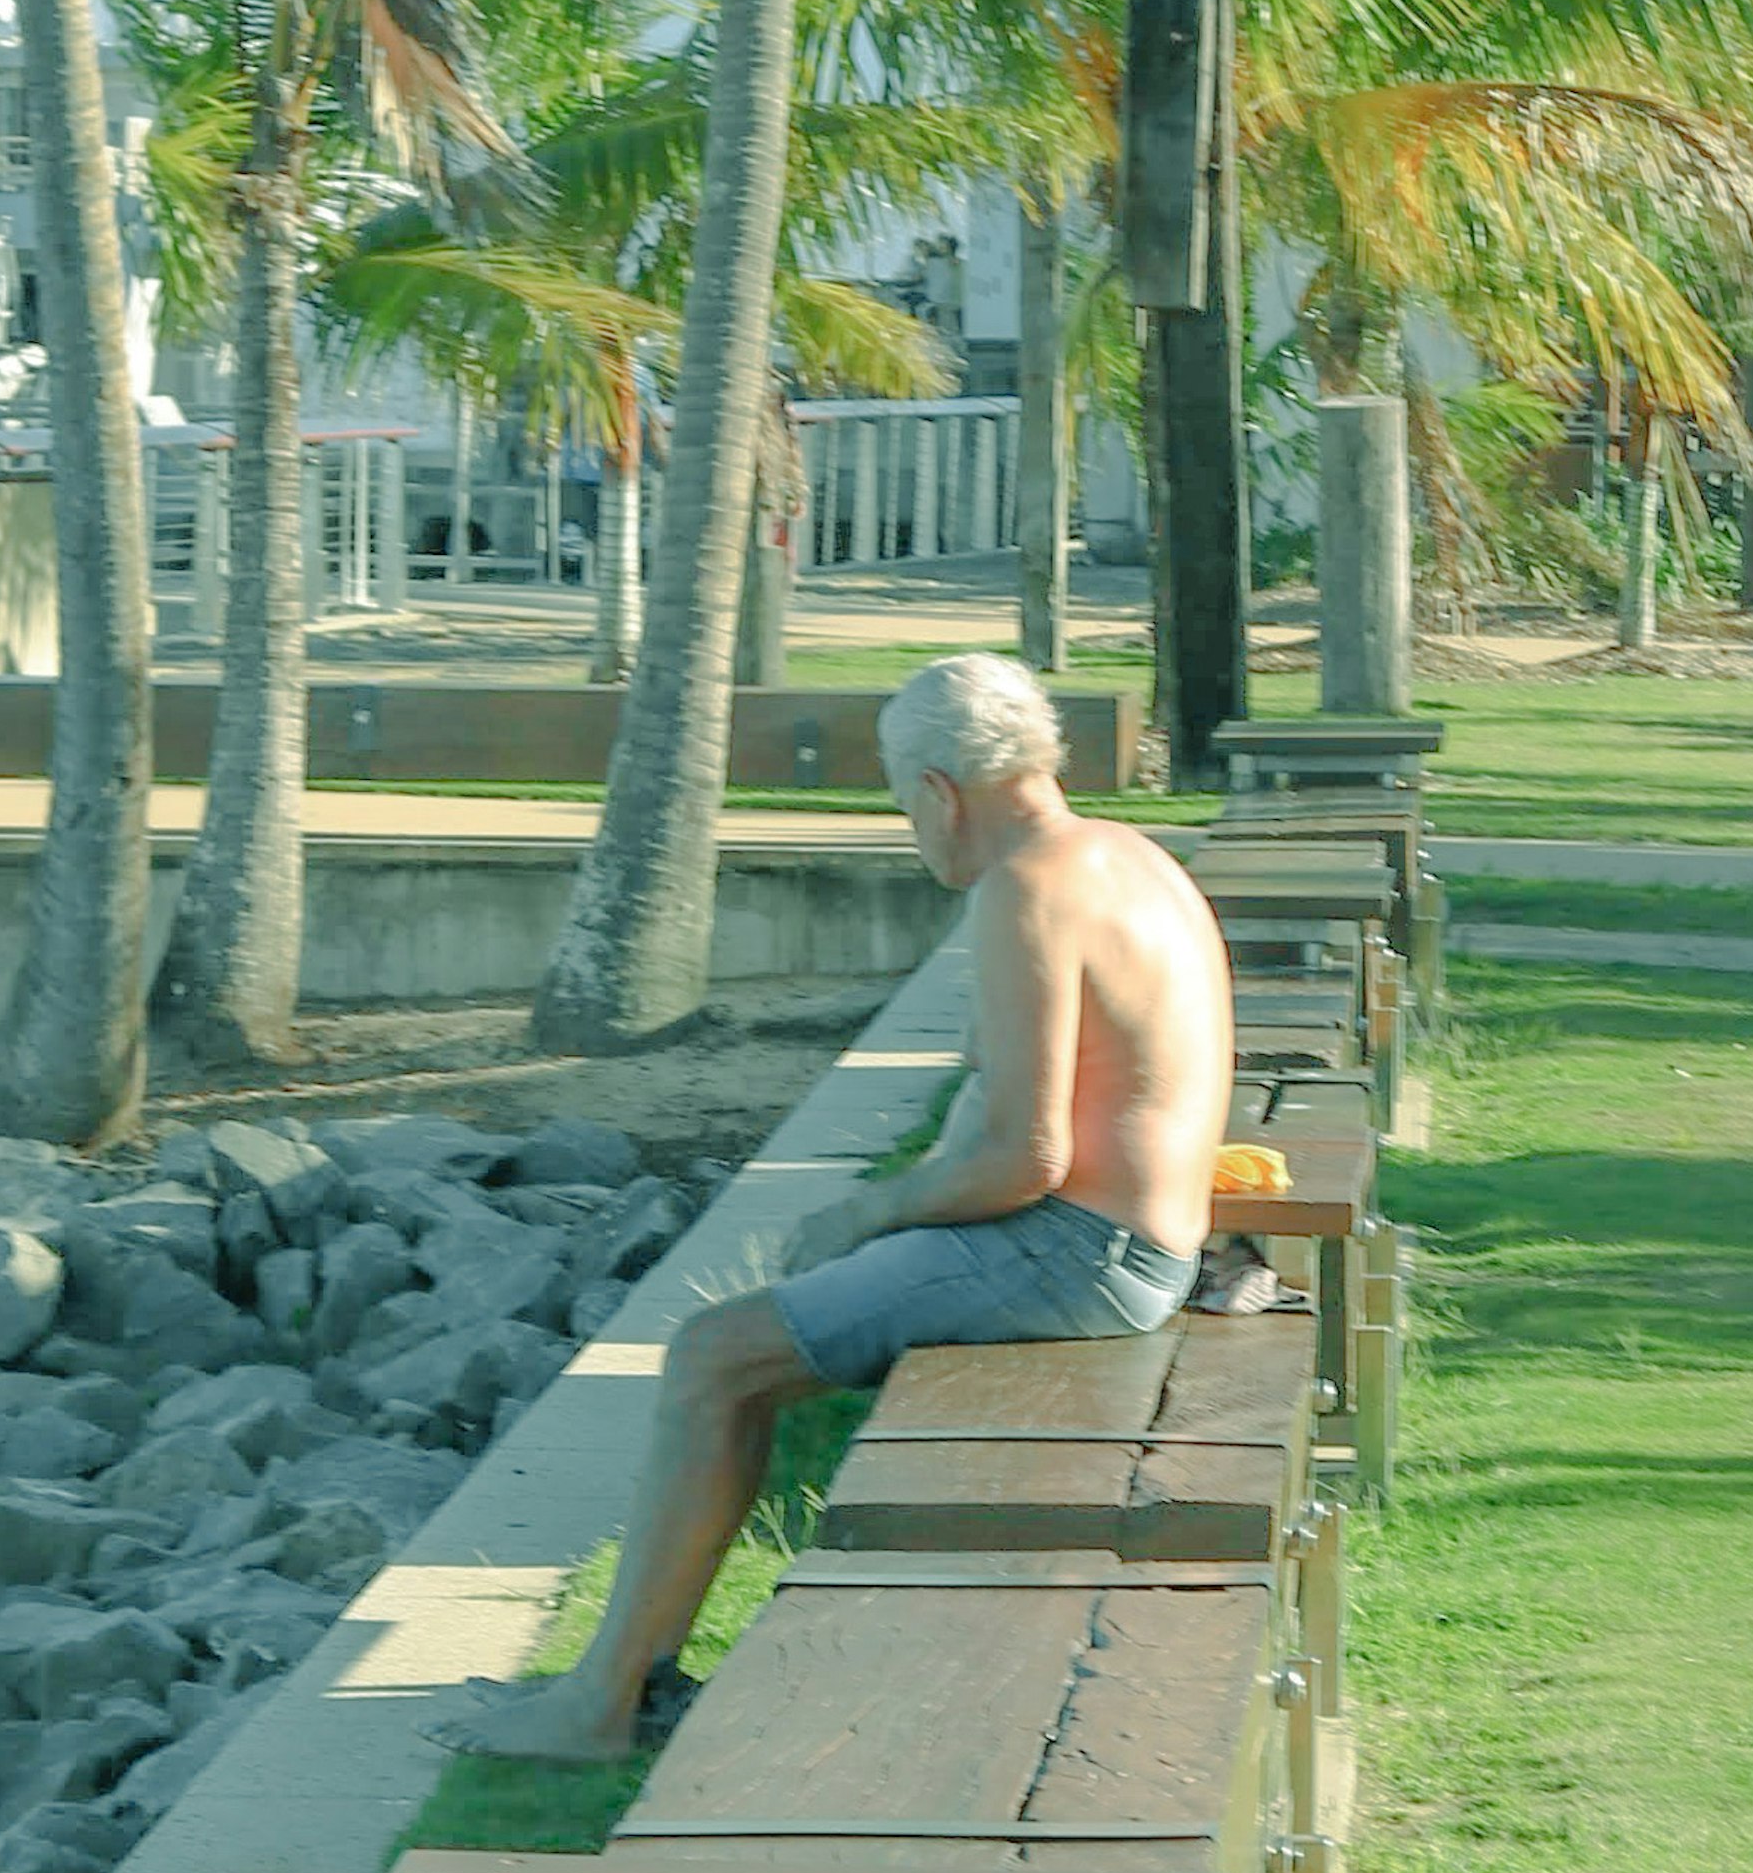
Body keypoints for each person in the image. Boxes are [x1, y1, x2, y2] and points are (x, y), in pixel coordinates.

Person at [429, 652, 1233, 1762]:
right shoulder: (1127, 857)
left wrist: (868, 1215)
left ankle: (598, 1707)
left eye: (908, 805)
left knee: (715, 1357)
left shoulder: (1027, 888)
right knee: (743, 1354)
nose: (914, 830)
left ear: (941, 791)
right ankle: (624, 1677)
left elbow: (1024, 1159)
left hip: (1079, 1253)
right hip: (1139, 1246)